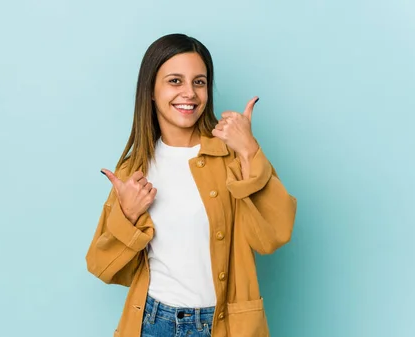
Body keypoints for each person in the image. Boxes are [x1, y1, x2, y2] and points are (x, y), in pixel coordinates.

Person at [85, 33, 297, 337]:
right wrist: (129, 217)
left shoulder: (231, 155)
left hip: (223, 325)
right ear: (151, 91)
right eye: (175, 81)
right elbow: (103, 266)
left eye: (199, 82)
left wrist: (249, 151)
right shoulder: (135, 170)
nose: (190, 93)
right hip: (152, 322)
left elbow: (274, 235)